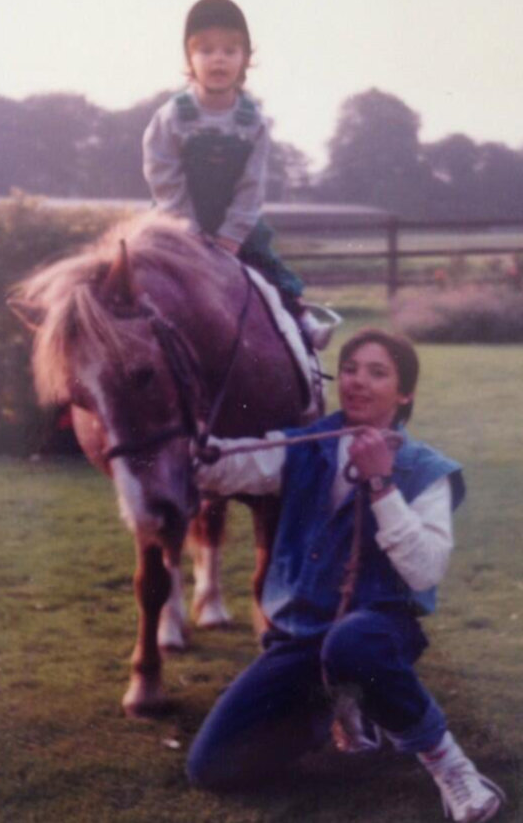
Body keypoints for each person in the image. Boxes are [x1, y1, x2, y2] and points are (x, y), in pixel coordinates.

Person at [187, 328, 505, 823]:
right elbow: (223, 468)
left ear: (405, 394)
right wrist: (190, 448)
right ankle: (329, 707)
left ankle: (451, 767)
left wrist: (380, 482)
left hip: (377, 633)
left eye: (377, 373)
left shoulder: (426, 470)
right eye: (350, 369)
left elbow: (424, 570)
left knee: (353, 641)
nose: (357, 381)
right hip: (299, 638)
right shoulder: (303, 447)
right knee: (211, 767)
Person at [142, 0, 332, 350]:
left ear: (245, 59)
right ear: (190, 59)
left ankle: (300, 317)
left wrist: (232, 235)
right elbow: (163, 177)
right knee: (142, 266)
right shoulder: (173, 116)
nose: (219, 58)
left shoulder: (252, 121)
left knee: (266, 262)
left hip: (235, 220)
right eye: (207, 50)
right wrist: (190, 232)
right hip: (176, 218)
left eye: (230, 50)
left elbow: (252, 185)